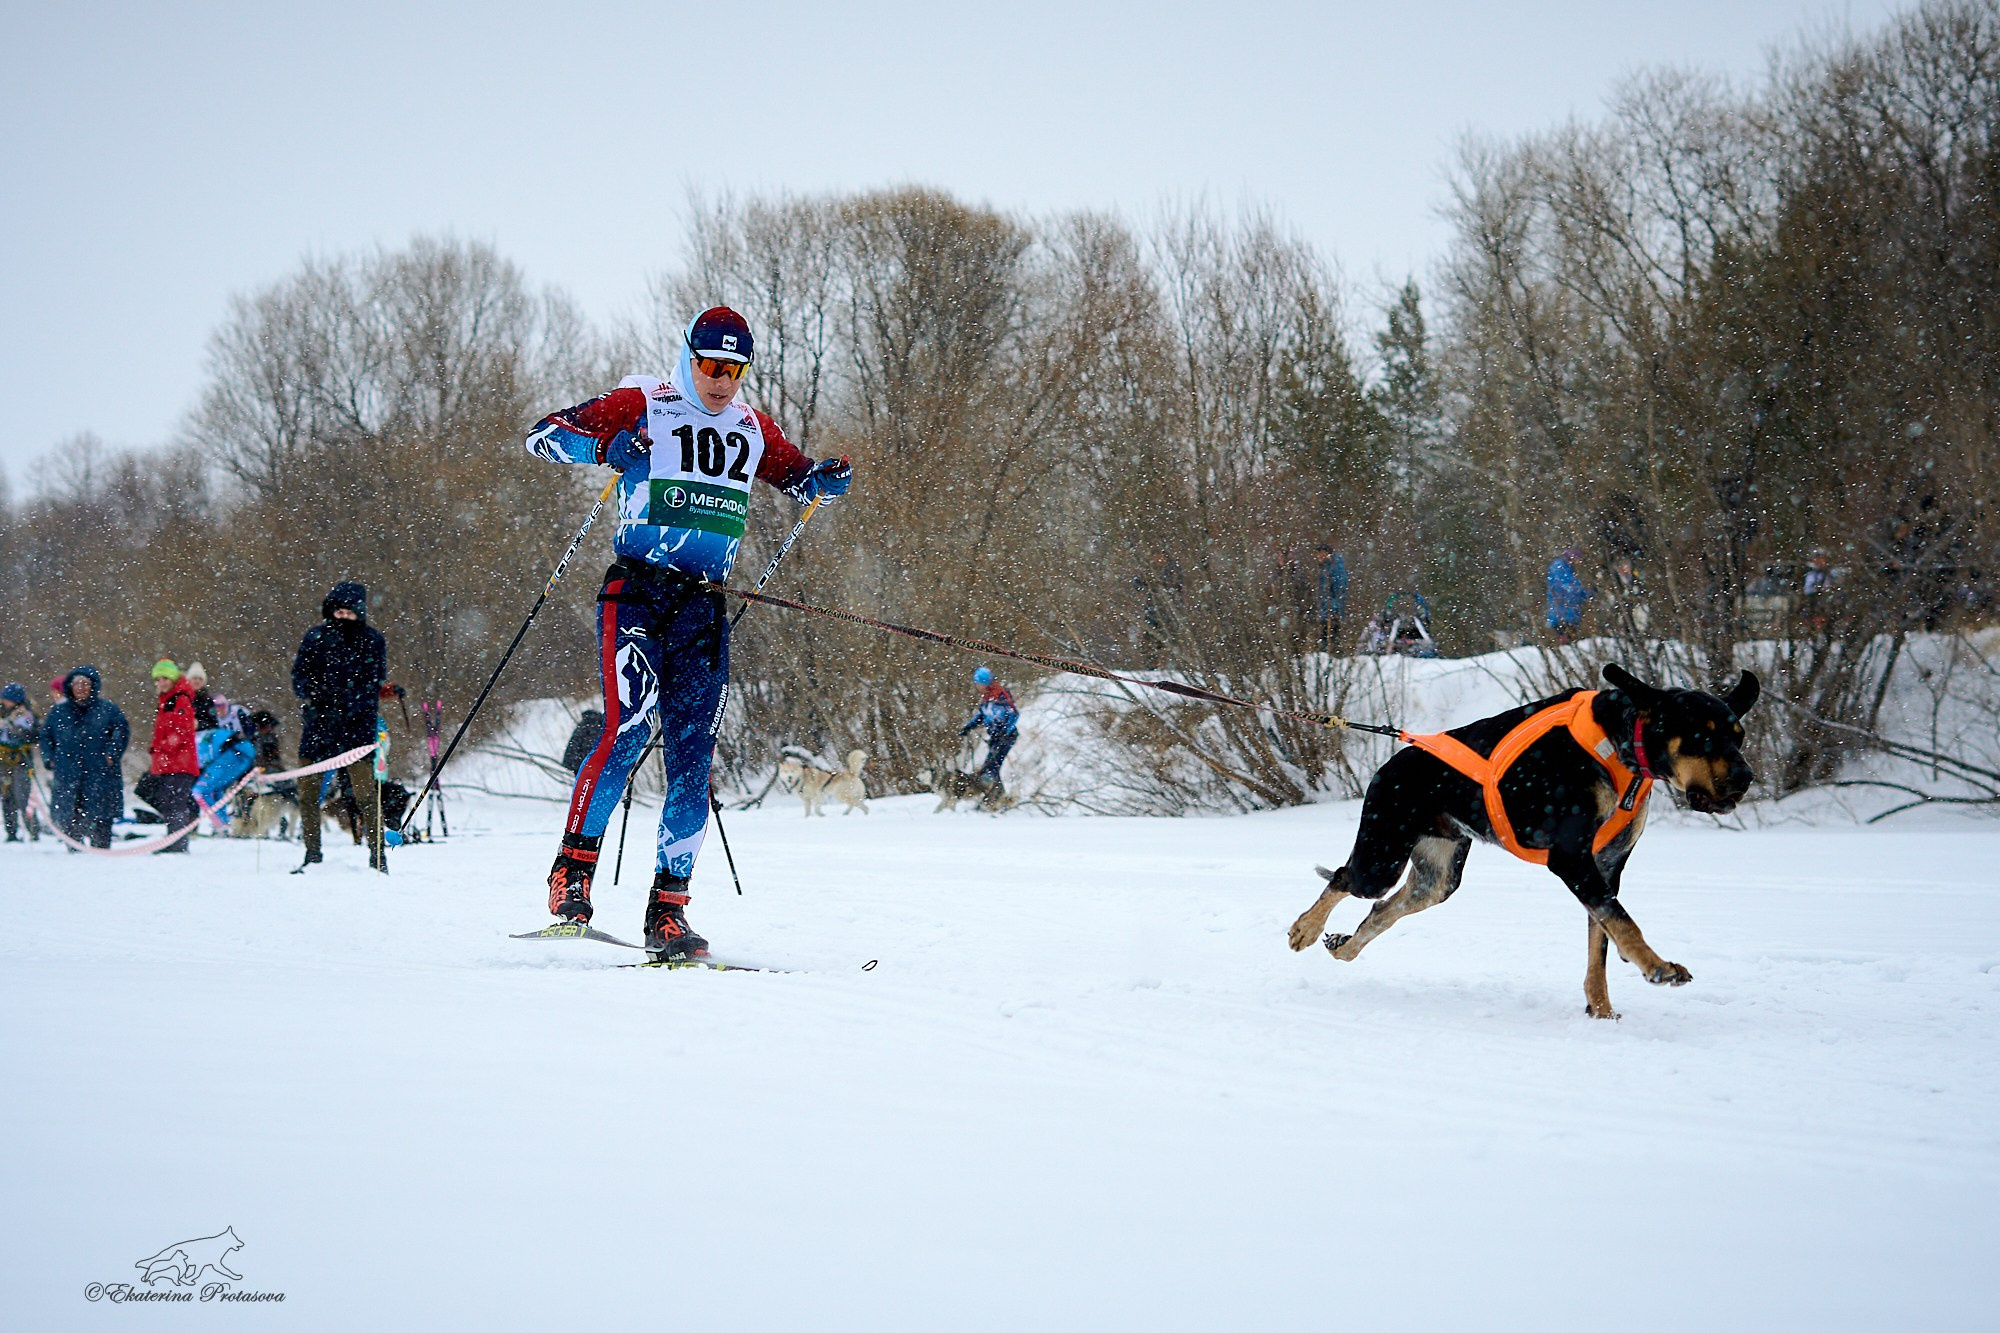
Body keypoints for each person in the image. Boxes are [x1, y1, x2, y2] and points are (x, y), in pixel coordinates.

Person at [528, 305, 852, 960]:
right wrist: (601, 448)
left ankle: (668, 911)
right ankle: (572, 877)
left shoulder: (750, 426)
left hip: (703, 607)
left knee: (693, 756)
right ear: (689, 358)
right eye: (711, 365)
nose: (722, 380)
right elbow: (541, 435)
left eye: (735, 369)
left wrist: (823, 481)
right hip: (638, 592)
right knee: (626, 727)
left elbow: (796, 476)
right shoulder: (646, 400)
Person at [291, 581, 389, 872]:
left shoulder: (372, 640)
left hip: (357, 730)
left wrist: (346, 702)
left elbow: (373, 681)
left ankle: (378, 855)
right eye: (339, 611)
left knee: (365, 796)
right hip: (318, 728)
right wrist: (315, 694)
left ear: (359, 612)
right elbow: (299, 677)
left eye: (349, 612)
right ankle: (312, 854)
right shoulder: (315, 638)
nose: (343, 617)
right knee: (307, 794)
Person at [38, 665, 129, 848]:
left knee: (101, 813)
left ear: (93, 686)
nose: (81, 687)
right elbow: (46, 736)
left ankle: (101, 849)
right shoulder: (59, 712)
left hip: (100, 771)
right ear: (69, 686)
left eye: (85, 683)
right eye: (76, 683)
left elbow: (121, 732)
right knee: (71, 813)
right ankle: (74, 848)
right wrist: (49, 758)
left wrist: (112, 754)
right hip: (68, 772)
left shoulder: (108, 709)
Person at [142, 659, 201, 852]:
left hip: (179, 762)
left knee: (175, 803)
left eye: (165, 678)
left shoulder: (180, 699)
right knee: (167, 801)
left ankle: (177, 842)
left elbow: (182, 731)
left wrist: (163, 748)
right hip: (169, 762)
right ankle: (174, 839)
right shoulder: (166, 701)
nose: (161, 682)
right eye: (158, 679)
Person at [958, 667, 1020, 798]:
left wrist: (1005, 731)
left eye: (978, 683)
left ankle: (992, 797)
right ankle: (998, 797)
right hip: (995, 737)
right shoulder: (986, 698)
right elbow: (981, 715)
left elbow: (1014, 714)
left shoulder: (1000, 696)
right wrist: (969, 727)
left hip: (1006, 737)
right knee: (990, 767)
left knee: (991, 768)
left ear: (985, 682)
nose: (977, 686)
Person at [0, 682, 41, 842]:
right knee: (6, 796)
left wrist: (17, 732)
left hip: (21, 760)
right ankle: (11, 832)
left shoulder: (25, 715)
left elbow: (31, 735)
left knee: (23, 796)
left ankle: (33, 831)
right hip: (3, 761)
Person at [1546, 547, 1594, 644]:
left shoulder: (1565, 569)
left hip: (1567, 610)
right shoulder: (1560, 568)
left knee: (1569, 634)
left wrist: (1586, 593)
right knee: (1566, 634)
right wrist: (1583, 592)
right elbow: (1566, 587)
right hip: (1564, 610)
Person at [1313, 544, 1348, 651]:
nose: (1319, 557)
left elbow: (1340, 589)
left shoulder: (1335, 568)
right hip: (1325, 610)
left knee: (1331, 638)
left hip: (1331, 611)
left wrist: (1334, 607)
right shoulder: (1325, 568)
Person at [561, 707, 605, 775]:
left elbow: (575, 743)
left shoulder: (583, 724)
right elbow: (591, 744)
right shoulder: (595, 724)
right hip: (584, 762)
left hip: (577, 761)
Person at [184, 661, 220, 732]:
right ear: (189, 680)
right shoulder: (182, 698)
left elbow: (215, 724)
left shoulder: (208, 701)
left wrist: (199, 725)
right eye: (194, 678)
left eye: (200, 679)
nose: (197, 681)